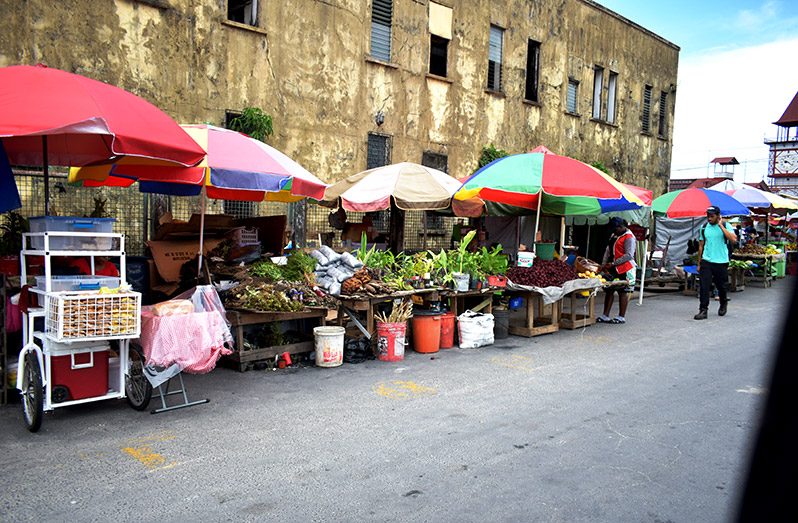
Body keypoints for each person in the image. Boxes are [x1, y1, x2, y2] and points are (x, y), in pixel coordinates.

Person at [694, 206, 737, 320]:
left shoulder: (726, 225)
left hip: (721, 261)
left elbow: (733, 239)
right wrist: (699, 263)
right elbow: (701, 246)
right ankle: (703, 310)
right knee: (704, 286)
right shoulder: (703, 227)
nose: (709, 218)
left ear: (718, 216)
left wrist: (721, 226)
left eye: (712, 216)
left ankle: (723, 302)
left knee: (721, 286)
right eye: (708, 216)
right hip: (707, 261)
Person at [596, 217, 636, 324]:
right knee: (609, 290)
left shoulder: (629, 237)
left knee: (622, 291)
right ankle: (605, 315)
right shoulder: (614, 235)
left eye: (616, 228)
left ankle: (621, 316)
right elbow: (608, 250)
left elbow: (629, 255)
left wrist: (614, 263)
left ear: (621, 227)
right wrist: (603, 265)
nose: (614, 231)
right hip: (612, 267)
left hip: (624, 268)